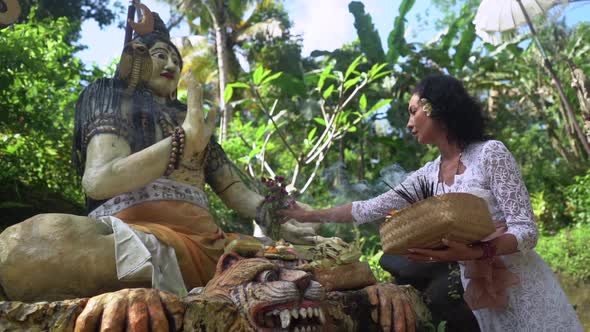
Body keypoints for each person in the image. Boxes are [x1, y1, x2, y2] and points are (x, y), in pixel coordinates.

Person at [279, 75, 584, 331]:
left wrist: (478, 251)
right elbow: (369, 207)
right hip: (478, 287)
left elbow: (527, 231)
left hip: (523, 283)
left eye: (413, 112)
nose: (409, 123)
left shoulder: (491, 153)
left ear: (435, 108)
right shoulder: (427, 175)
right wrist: (306, 214)